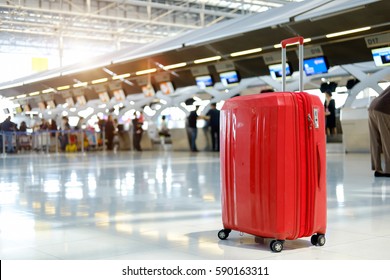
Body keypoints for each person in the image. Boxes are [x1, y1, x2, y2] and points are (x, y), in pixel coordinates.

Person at [368, 85, 390, 177]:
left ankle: (377, 168)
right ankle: (389, 170)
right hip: (383, 109)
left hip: (372, 107)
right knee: (387, 140)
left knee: (375, 140)